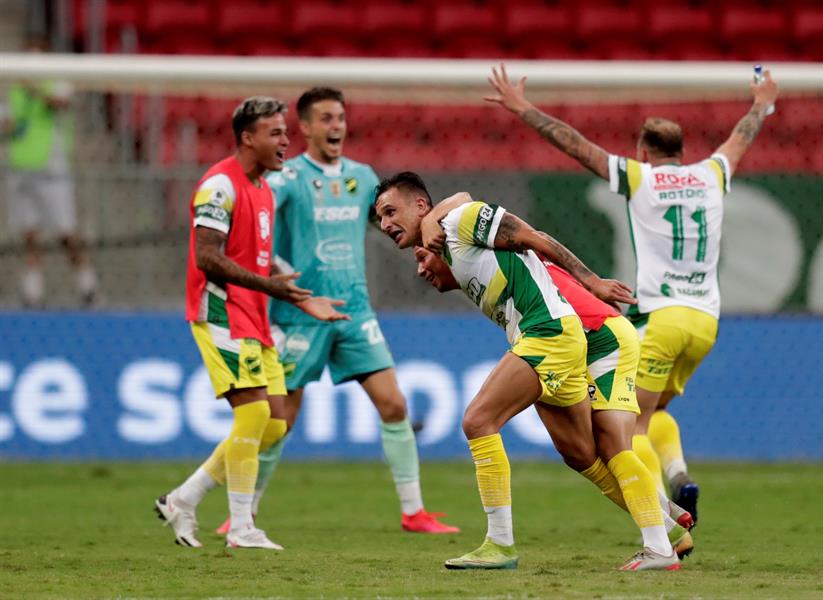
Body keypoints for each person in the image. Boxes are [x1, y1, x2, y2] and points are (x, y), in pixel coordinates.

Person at [486, 63, 778, 523]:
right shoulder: (712, 174)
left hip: (661, 317)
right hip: (705, 322)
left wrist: (523, 108)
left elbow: (577, 146)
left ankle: (665, 521)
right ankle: (678, 473)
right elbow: (740, 138)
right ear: (683, 152)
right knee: (657, 408)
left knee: (629, 427)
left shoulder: (639, 178)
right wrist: (762, 104)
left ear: (643, 151)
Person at [376, 171, 679, 571]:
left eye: (390, 211)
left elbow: (532, 235)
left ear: (420, 206)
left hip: (549, 332)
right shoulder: (449, 240)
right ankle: (662, 535)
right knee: (587, 454)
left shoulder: (459, 222)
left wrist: (591, 281)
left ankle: (499, 544)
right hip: (556, 338)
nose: (385, 225)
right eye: (380, 219)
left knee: (478, 420)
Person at [214, 87, 458, 536]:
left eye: (341, 118)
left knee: (394, 404)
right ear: (304, 127)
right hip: (300, 314)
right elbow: (257, 237)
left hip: (354, 311)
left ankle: (414, 512)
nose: (336, 127)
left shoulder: (363, 178)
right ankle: (242, 514)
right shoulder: (286, 179)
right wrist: (289, 281)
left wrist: (426, 250)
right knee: (278, 422)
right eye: (326, 119)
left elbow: (391, 225)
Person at [154, 96, 347, 551]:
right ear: (248, 137)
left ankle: (183, 499)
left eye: (285, 131)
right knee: (255, 412)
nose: (286, 141)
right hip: (219, 311)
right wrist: (270, 285)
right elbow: (207, 256)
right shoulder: (219, 186)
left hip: (253, 313)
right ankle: (241, 527)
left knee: (275, 423)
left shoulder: (263, 187)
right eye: (276, 133)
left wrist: (299, 295)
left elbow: (257, 256)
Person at [2, 33, 97, 308]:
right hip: (21, 166)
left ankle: (87, 283)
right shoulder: (16, 90)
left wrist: (36, 88)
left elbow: (60, 103)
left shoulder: (56, 82)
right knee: (29, 231)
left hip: (51, 167)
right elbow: (10, 122)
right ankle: (34, 290)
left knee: (65, 229)